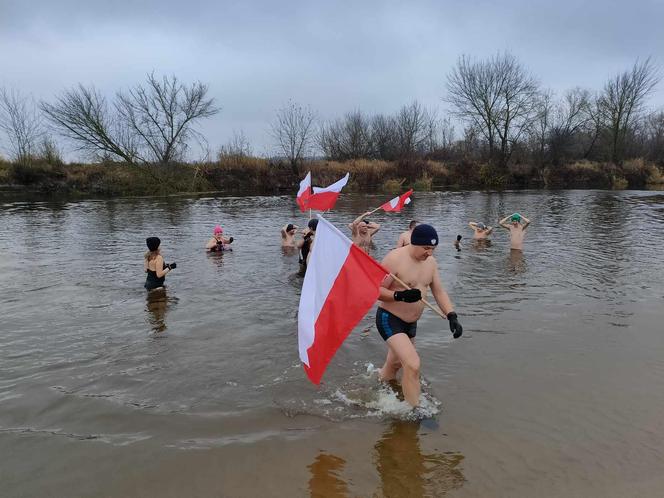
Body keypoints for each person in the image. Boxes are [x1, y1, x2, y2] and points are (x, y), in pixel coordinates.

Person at [375, 224, 463, 408]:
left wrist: (451, 315)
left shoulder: (430, 263)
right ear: (413, 243)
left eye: (432, 248)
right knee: (413, 364)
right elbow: (375, 290)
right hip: (389, 318)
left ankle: (378, 386)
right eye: (426, 248)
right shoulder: (395, 258)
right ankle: (414, 411)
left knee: (395, 365)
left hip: (411, 323)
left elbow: (439, 291)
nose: (429, 253)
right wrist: (399, 295)